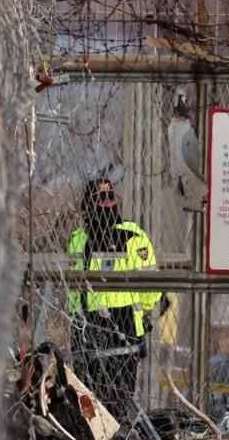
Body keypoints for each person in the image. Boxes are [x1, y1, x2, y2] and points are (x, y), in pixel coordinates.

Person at [66, 177, 162, 423]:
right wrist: (76, 321)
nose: (106, 205)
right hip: (86, 326)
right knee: (88, 400)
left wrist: (143, 314)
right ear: (88, 205)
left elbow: (150, 284)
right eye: (100, 200)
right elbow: (73, 290)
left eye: (110, 199)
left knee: (118, 400)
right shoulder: (78, 238)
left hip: (123, 322)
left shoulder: (131, 236)